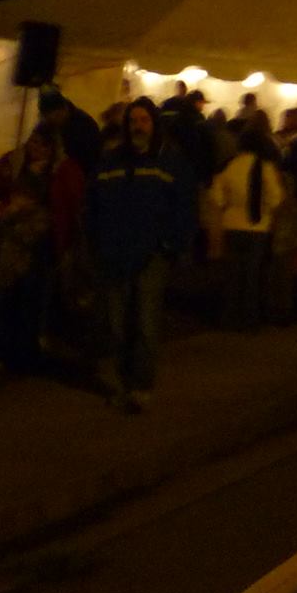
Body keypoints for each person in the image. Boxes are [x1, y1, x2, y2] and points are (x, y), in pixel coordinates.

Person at [88, 99, 195, 410]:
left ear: (154, 123)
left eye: (144, 120)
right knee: (119, 324)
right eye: (133, 120)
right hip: (115, 254)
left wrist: (168, 244)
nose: (138, 126)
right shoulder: (111, 162)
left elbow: (185, 207)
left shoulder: (170, 162)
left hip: (151, 255)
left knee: (146, 323)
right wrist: (97, 240)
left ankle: (142, 386)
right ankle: (124, 383)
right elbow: (93, 204)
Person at [0, 125, 85, 371]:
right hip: (14, 238)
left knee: (33, 298)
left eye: (43, 145)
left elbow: (72, 200)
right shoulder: (17, 162)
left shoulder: (62, 169)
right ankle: (4, 350)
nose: (37, 149)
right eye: (34, 143)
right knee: (7, 295)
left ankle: (27, 352)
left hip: (41, 241)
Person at [211, 125, 285, 331]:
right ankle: (250, 319)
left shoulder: (229, 166)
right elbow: (276, 198)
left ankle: (229, 317)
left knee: (233, 274)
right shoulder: (265, 167)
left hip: (232, 225)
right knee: (252, 275)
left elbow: (216, 198)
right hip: (258, 227)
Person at [39, 90, 103, 174]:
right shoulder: (49, 125)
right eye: (49, 119)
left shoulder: (84, 125)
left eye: (57, 116)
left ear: (65, 109)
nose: (55, 121)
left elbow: (89, 159)